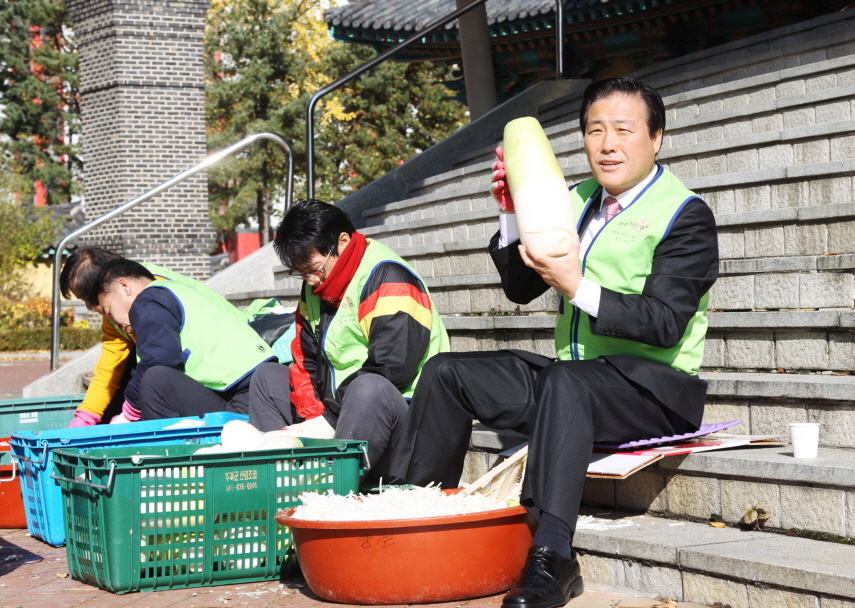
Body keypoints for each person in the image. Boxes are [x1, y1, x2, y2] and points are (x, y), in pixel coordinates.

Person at [391, 77, 719, 608]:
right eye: (595, 130)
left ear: (656, 138)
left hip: (655, 391)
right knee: (447, 372)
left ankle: (553, 555)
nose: (607, 144)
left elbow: (664, 323)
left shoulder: (686, 215)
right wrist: (510, 213)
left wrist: (577, 287)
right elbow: (521, 289)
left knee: (567, 382)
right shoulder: (576, 199)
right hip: (577, 383)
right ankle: (413, 517)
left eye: (623, 130)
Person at [247, 198, 450, 484]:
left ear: (342, 242)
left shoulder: (388, 277)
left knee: (369, 388)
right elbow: (304, 359)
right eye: (301, 273)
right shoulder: (314, 287)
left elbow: (393, 367)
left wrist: (330, 420)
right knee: (267, 377)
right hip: (342, 413)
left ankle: (328, 489)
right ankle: (275, 483)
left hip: (409, 421)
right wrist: (314, 416)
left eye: (314, 269)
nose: (310, 280)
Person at [91, 258, 275, 421]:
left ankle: (166, 457)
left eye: (109, 312)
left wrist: (129, 413)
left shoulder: (148, 300)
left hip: (243, 405)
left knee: (155, 380)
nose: (115, 323)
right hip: (264, 394)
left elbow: (159, 360)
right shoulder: (180, 290)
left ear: (124, 287)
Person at [59, 247, 209, 427]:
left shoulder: (153, 296)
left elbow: (163, 358)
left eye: (91, 301)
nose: (89, 307)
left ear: (111, 286)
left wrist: (128, 416)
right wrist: (85, 418)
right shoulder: (114, 312)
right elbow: (109, 367)